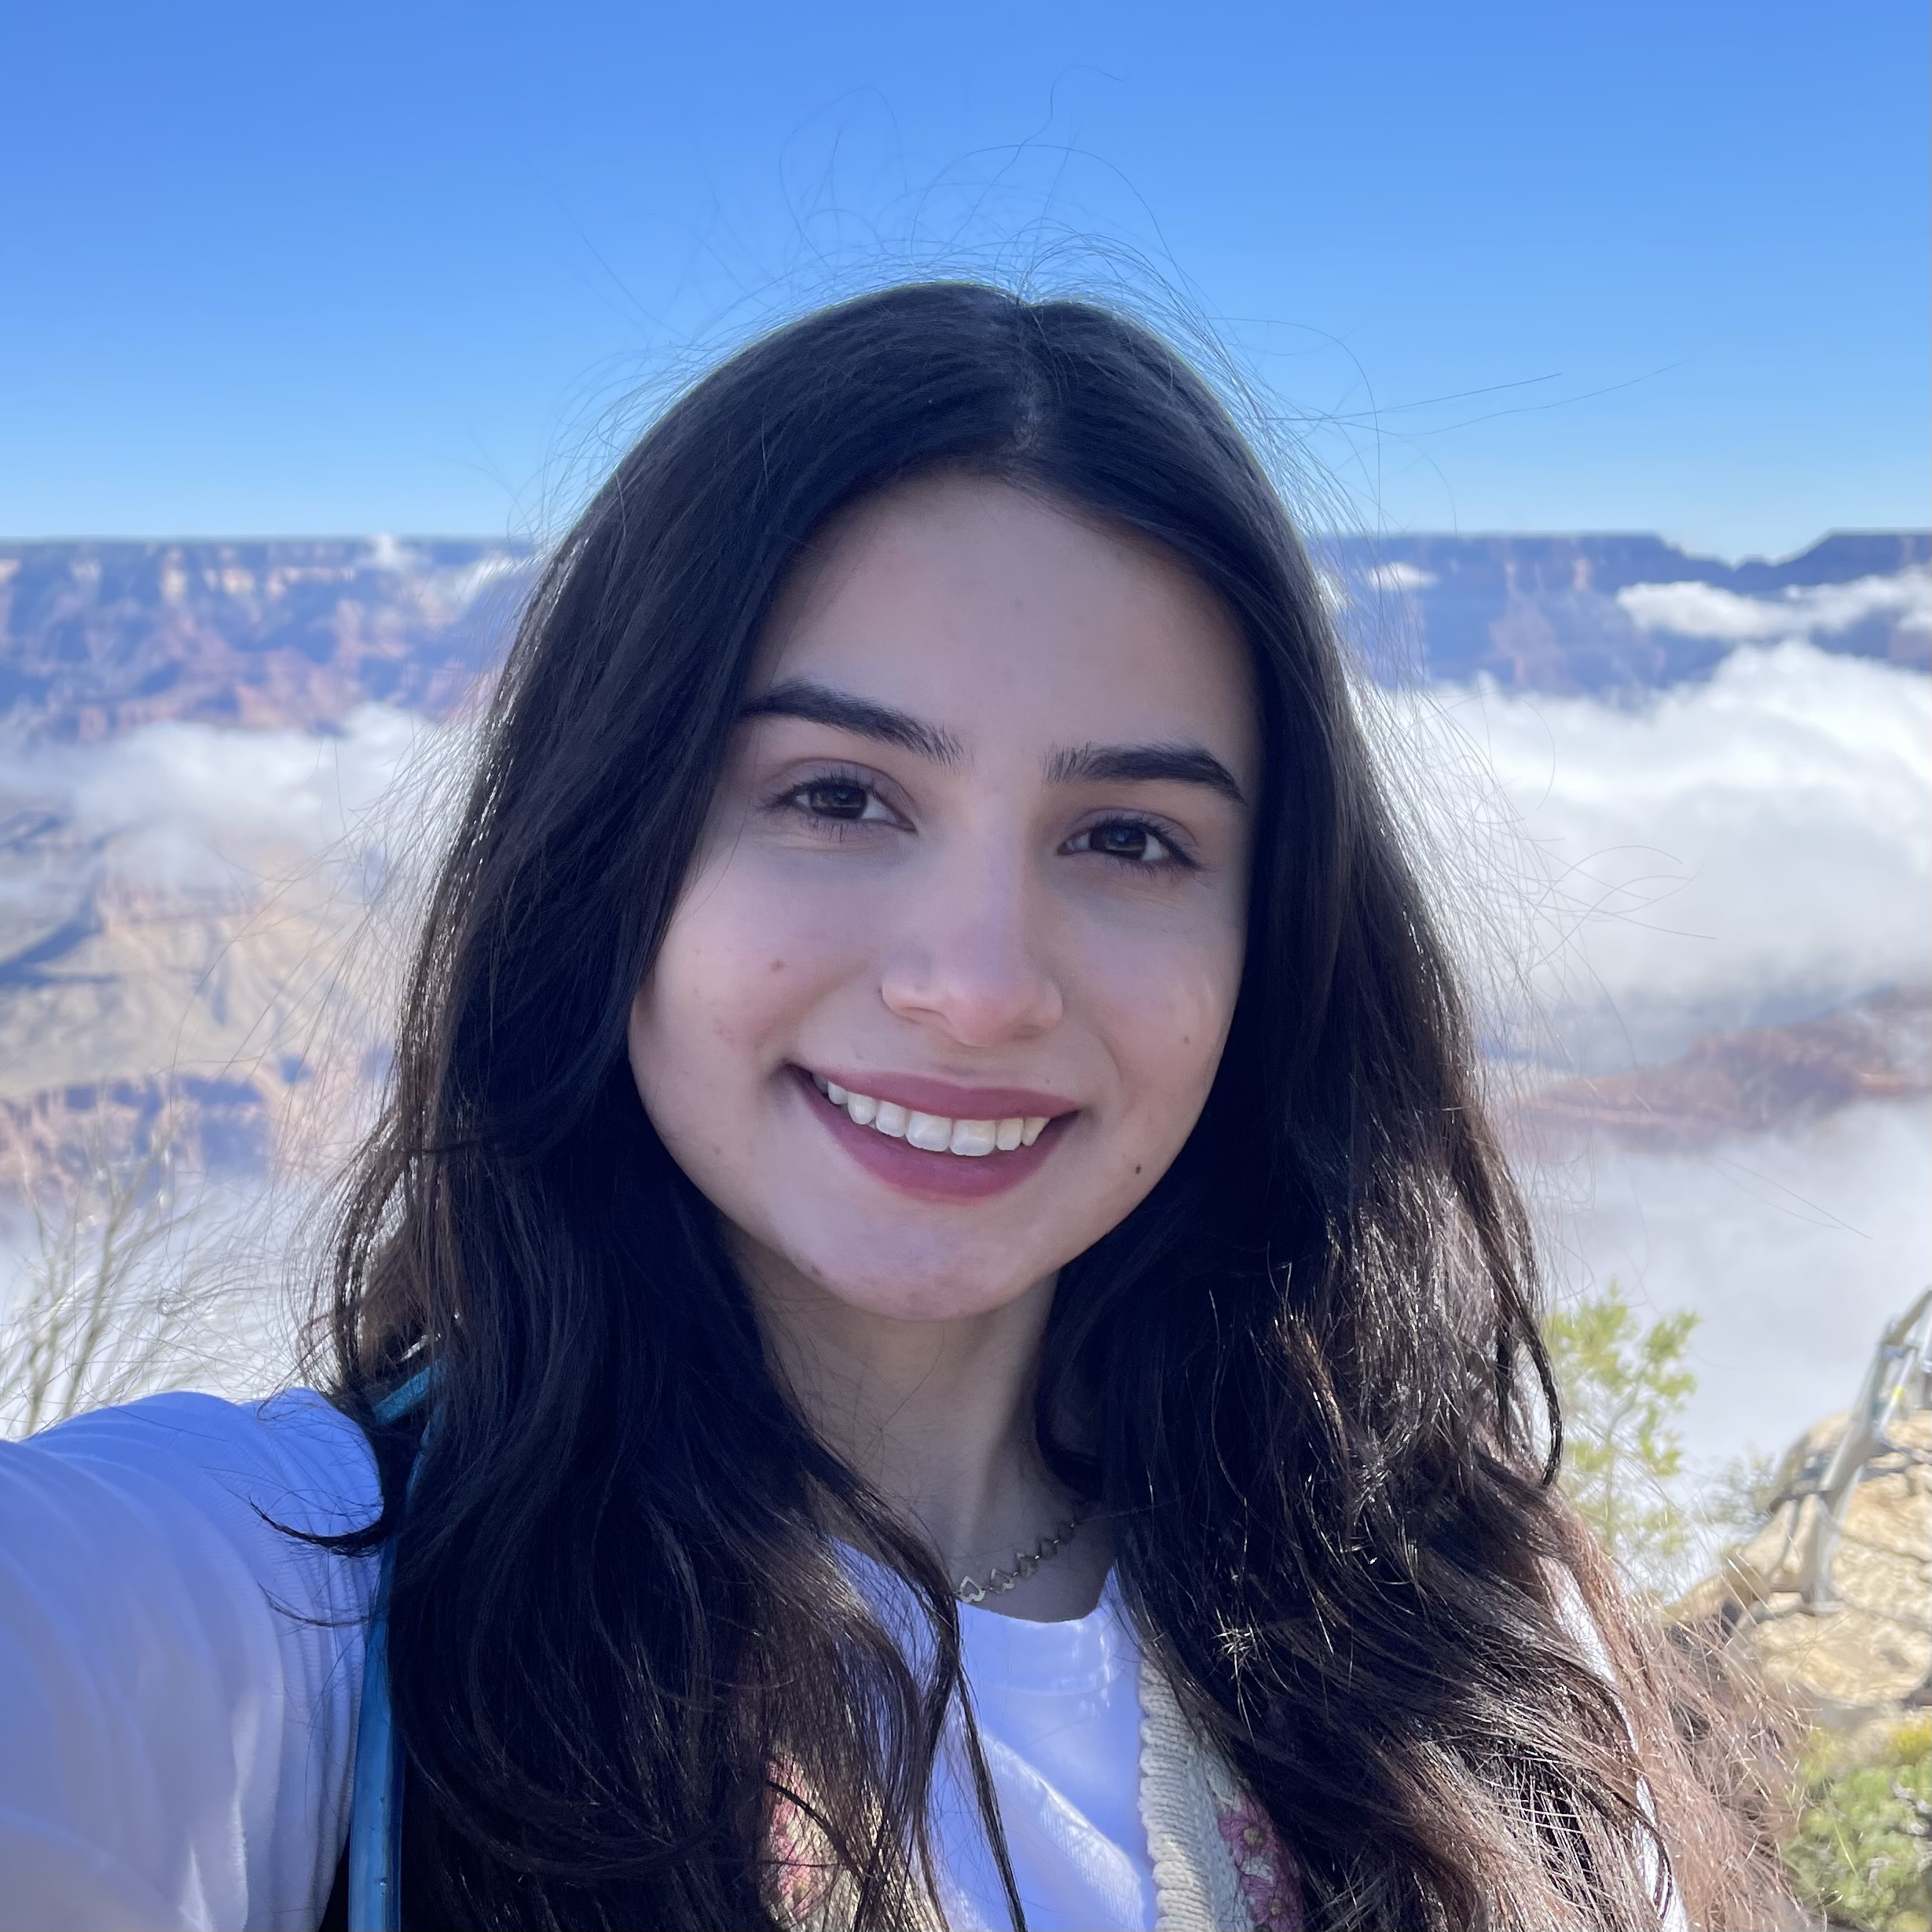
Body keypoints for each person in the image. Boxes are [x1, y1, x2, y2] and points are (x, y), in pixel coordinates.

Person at [0, 282, 1767, 1931]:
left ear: (1271, 943)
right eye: (838, 796)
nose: (980, 981)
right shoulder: (275, 1610)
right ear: (613, 851)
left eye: (1131, 837)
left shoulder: (1469, 1638)